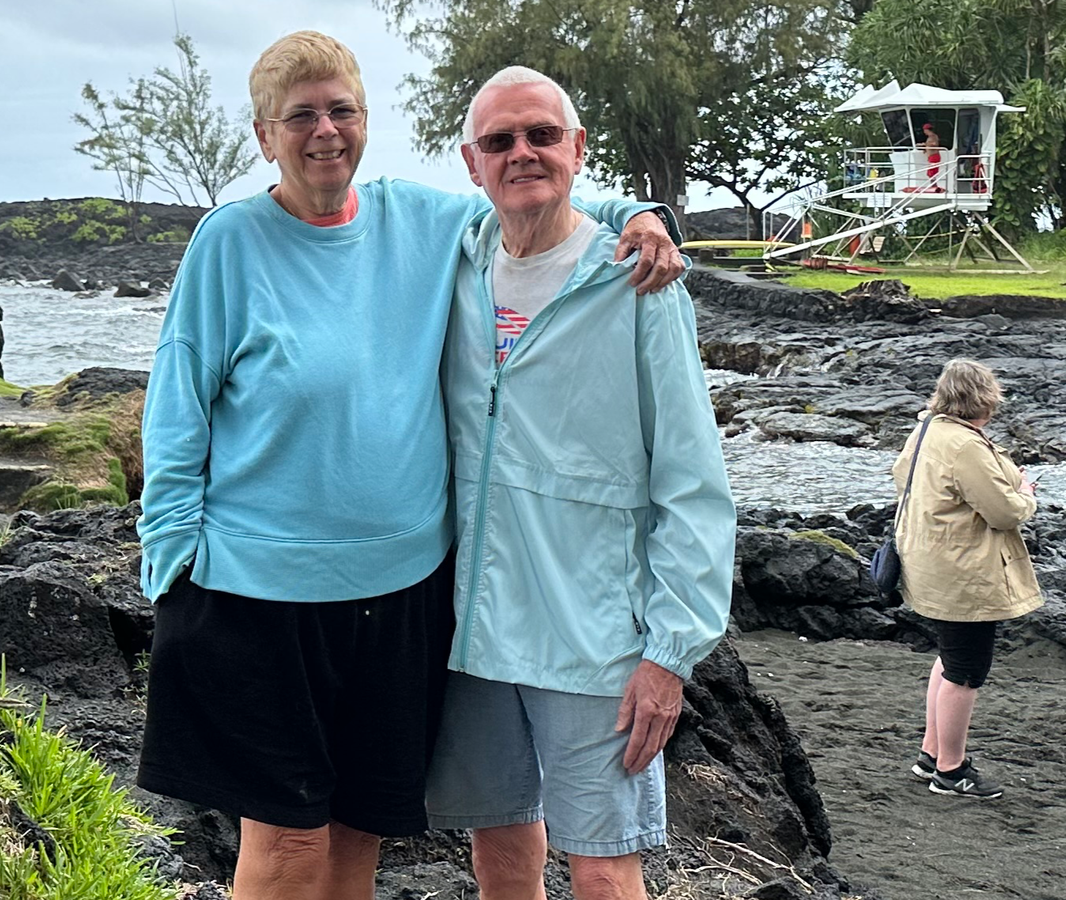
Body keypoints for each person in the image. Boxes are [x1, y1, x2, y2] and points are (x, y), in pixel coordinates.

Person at [134, 31, 684, 900]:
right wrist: (171, 566)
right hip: (255, 600)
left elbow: (535, 188)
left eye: (341, 111)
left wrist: (642, 216)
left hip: (400, 601)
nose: (325, 131)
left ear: (364, 120)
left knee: (359, 835)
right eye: (301, 116)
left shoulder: (423, 222)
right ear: (265, 135)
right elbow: (177, 408)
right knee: (286, 845)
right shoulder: (228, 243)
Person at [427, 67, 736, 900]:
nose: (522, 153)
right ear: (471, 162)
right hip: (470, 628)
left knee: (603, 870)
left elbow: (693, 483)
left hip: (593, 635)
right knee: (498, 849)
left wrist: (670, 654)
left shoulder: (637, 280)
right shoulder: (454, 260)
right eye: (500, 141)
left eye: (542, 135)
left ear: (578, 147)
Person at [893, 359, 1042, 800]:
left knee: (950, 658)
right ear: (986, 400)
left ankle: (931, 754)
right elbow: (1004, 512)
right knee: (966, 671)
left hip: (932, 563)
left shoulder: (927, 430)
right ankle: (951, 771)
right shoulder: (965, 445)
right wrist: (1026, 496)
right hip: (964, 572)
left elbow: (902, 478)